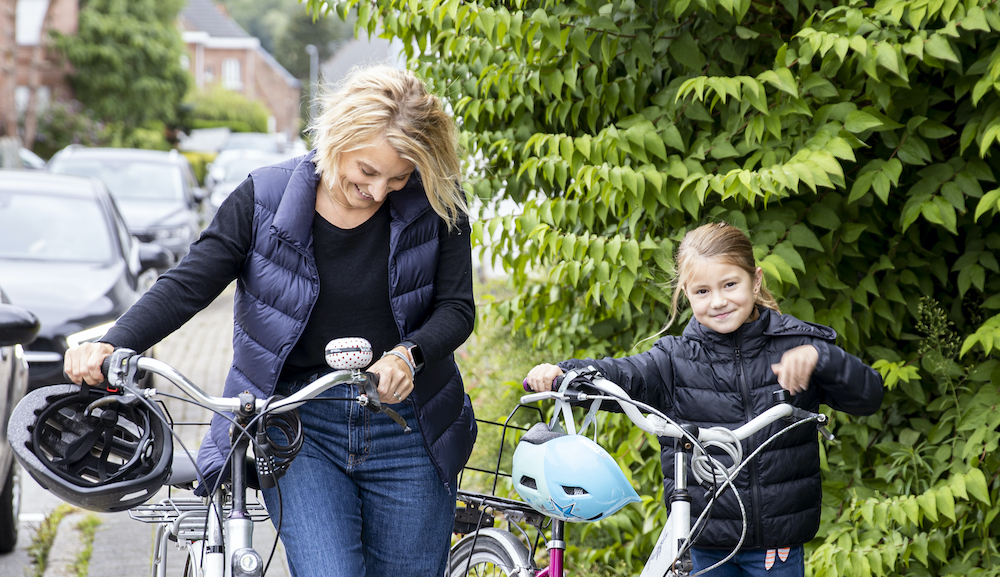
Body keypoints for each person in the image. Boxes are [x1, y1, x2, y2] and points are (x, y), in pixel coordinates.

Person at [64, 65, 477, 577]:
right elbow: (189, 283)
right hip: (300, 427)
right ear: (337, 137)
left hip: (410, 425)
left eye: (398, 178)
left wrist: (407, 354)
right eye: (367, 171)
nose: (379, 191)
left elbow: (457, 309)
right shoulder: (262, 199)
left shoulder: (437, 199)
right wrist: (113, 343)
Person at [523, 222, 883, 577]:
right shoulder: (674, 358)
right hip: (702, 541)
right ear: (686, 293)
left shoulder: (795, 346)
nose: (719, 301)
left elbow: (868, 397)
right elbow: (623, 375)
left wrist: (824, 359)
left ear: (755, 280)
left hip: (777, 544)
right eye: (702, 291)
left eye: (730, 284)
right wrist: (563, 373)